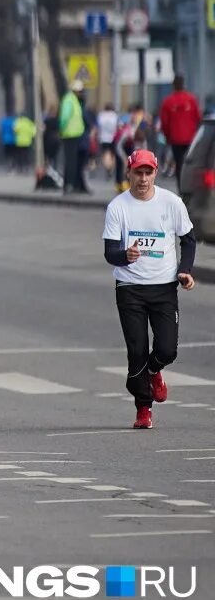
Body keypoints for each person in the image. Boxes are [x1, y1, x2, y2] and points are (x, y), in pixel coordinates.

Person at [103, 149, 198, 430]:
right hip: (130, 287)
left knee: (167, 349)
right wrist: (125, 256)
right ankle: (143, 409)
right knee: (137, 350)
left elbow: (189, 240)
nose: (143, 179)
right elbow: (110, 252)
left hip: (163, 287)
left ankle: (154, 371)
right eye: (138, 173)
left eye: (148, 173)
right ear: (128, 174)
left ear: (155, 173)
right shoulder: (118, 207)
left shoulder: (171, 203)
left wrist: (186, 270)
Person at [157, 76, 202, 180]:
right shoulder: (191, 99)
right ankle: (191, 185)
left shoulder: (168, 102)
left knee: (179, 163)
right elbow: (198, 118)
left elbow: (164, 123)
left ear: (173, 86)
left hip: (175, 138)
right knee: (190, 162)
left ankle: (181, 187)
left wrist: (168, 136)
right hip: (190, 138)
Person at [60, 81, 88, 194]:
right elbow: (64, 117)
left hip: (76, 134)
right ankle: (69, 185)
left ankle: (74, 184)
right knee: (70, 162)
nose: (82, 94)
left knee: (74, 161)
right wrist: (61, 129)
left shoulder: (75, 100)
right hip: (69, 134)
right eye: (80, 91)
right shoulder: (69, 100)